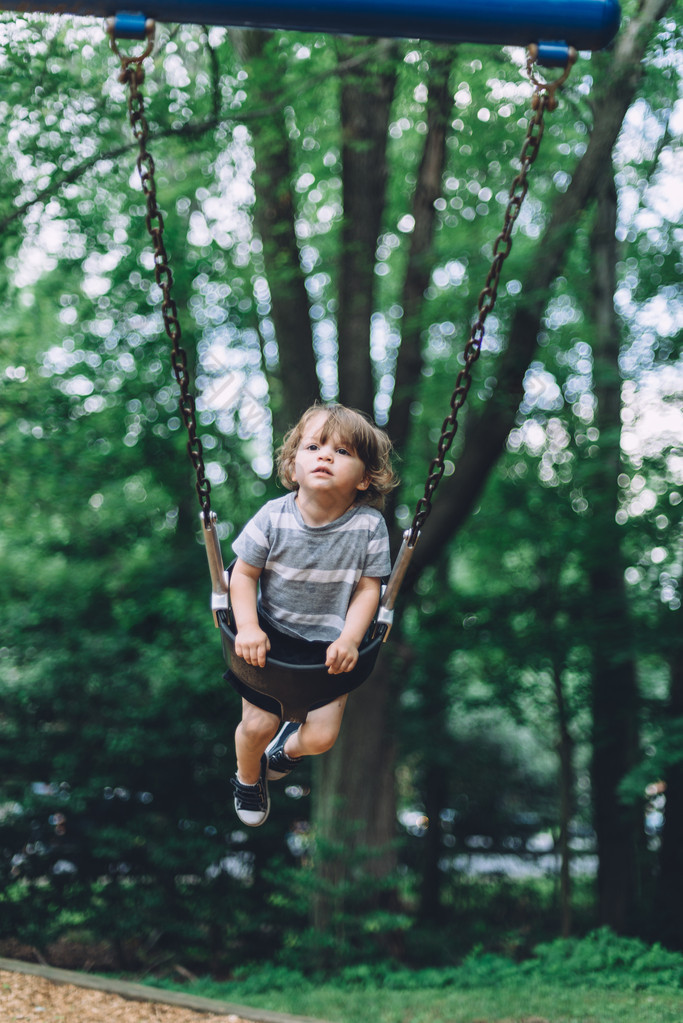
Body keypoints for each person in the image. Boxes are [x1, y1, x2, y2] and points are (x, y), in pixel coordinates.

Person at [227, 403, 397, 826]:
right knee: (256, 726)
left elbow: (367, 589)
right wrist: (248, 626)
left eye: (342, 452)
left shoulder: (369, 528)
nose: (325, 456)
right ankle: (249, 779)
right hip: (269, 635)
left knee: (321, 737)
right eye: (314, 446)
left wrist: (351, 639)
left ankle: (287, 750)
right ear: (293, 464)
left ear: (365, 478)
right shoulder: (272, 517)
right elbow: (242, 576)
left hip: (329, 643)